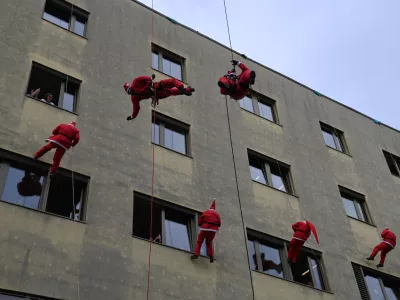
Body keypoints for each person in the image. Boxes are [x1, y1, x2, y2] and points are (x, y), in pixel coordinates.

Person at [123, 75, 195, 120]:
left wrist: (150, 79)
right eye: (129, 92)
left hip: (156, 89)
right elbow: (136, 108)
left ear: (130, 86)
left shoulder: (136, 82)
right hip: (157, 92)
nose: (131, 92)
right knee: (171, 88)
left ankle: (185, 90)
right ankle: (184, 89)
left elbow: (143, 78)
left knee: (172, 85)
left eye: (130, 90)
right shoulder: (134, 97)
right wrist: (133, 116)